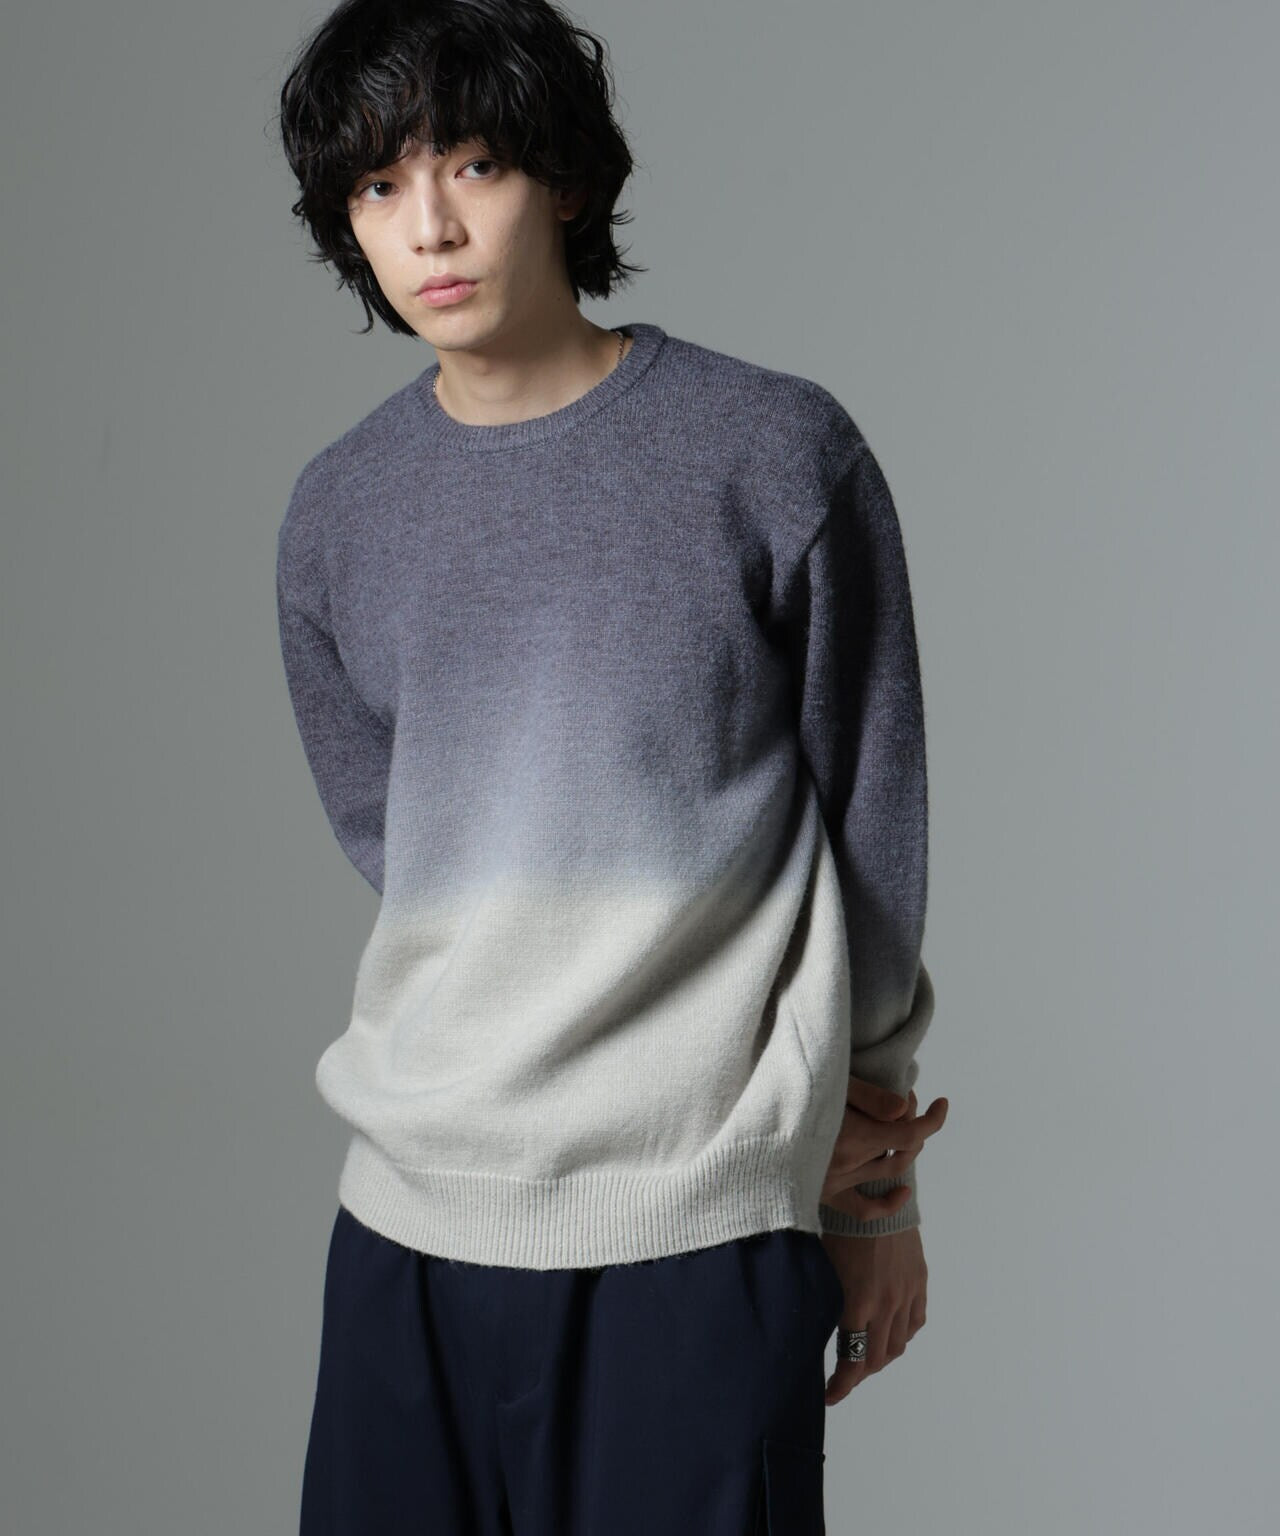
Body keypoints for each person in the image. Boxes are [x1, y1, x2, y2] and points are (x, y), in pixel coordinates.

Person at [272, 1, 948, 1531]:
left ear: (567, 180)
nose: (429, 226)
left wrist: (874, 1186)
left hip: (696, 1230)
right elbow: (397, 838)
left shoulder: (774, 451)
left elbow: (874, 818)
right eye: (378, 184)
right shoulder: (339, 511)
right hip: (409, 1220)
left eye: (474, 164)